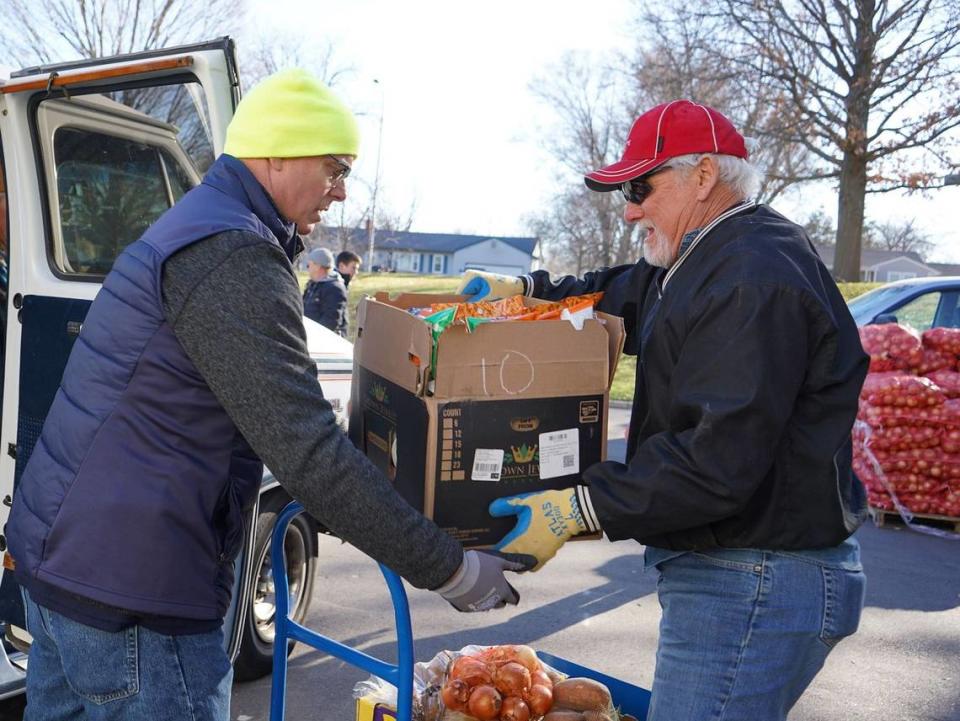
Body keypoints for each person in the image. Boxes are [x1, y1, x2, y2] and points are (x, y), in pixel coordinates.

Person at [8, 69, 533, 721]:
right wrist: (449, 567)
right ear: (279, 152)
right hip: (136, 603)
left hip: (57, 567)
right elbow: (307, 454)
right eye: (334, 168)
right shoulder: (234, 256)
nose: (340, 192)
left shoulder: (192, 225)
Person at [459, 100, 869, 721]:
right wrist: (532, 293)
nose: (628, 207)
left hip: (755, 576)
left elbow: (717, 458)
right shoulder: (711, 256)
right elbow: (628, 290)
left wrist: (580, 506)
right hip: (743, 571)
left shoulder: (750, 277)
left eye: (640, 186)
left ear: (703, 175)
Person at [303, 246, 348, 336]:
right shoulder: (313, 284)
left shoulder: (334, 288)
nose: (307, 268)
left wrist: (312, 336)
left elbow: (330, 322)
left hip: (324, 342)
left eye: (309, 265)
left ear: (317, 266)